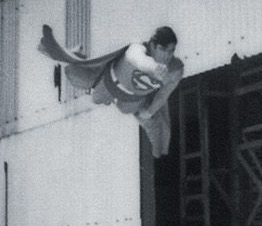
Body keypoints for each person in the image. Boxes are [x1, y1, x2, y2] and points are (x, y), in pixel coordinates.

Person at [38, 25, 185, 156]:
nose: (167, 56)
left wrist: (150, 111)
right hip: (107, 85)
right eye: (162, 50)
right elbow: (137, 59)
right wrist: (153, 67)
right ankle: (65, 52)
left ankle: (161, 153)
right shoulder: (138, 48)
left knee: (155, 129)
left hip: (132, 102)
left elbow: (164, 94)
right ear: (153, 45)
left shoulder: (175, 69)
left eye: (171, 51)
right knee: (77, 77)